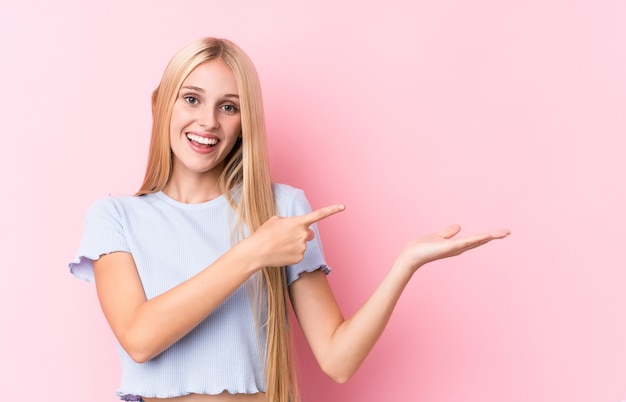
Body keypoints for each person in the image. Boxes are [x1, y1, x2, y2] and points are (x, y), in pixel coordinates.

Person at [69, 37, 510, 402]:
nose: (208, 121)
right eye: (191, 99)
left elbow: (338, 361)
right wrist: (253, 252)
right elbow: (140, 338)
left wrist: (405, 265)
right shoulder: (116, 217)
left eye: (229, 107)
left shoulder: (282, 209)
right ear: (159, 104)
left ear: (245, 121)